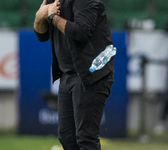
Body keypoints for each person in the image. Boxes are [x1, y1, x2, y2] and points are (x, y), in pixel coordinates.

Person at [34, 0, 114, 149]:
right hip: (67, 75)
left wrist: (52, 17)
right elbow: (41, 36)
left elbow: (81, 32)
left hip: (90, 75)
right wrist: (39, 17)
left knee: (85, 138)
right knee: (67, 138)